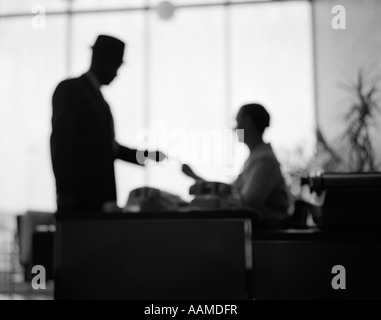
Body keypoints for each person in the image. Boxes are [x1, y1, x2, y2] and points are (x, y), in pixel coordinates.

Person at [50, 34, 165, 212]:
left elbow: (109, 149)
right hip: (80, 200)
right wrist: (65, 191)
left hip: (97, 200)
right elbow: (61, 143)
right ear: (104, 61)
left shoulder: (96, 98)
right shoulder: (71, 90)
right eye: (116, 66)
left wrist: (148, 156)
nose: (116, 74)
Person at [182, 103, 290, 224]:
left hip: (266, 231)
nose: (234, 129)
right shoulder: (255, 158)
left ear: (248, 123)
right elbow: (230, 191)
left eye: (238, 122)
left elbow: (247, 203)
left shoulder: (264, 161)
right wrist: (195, 176)